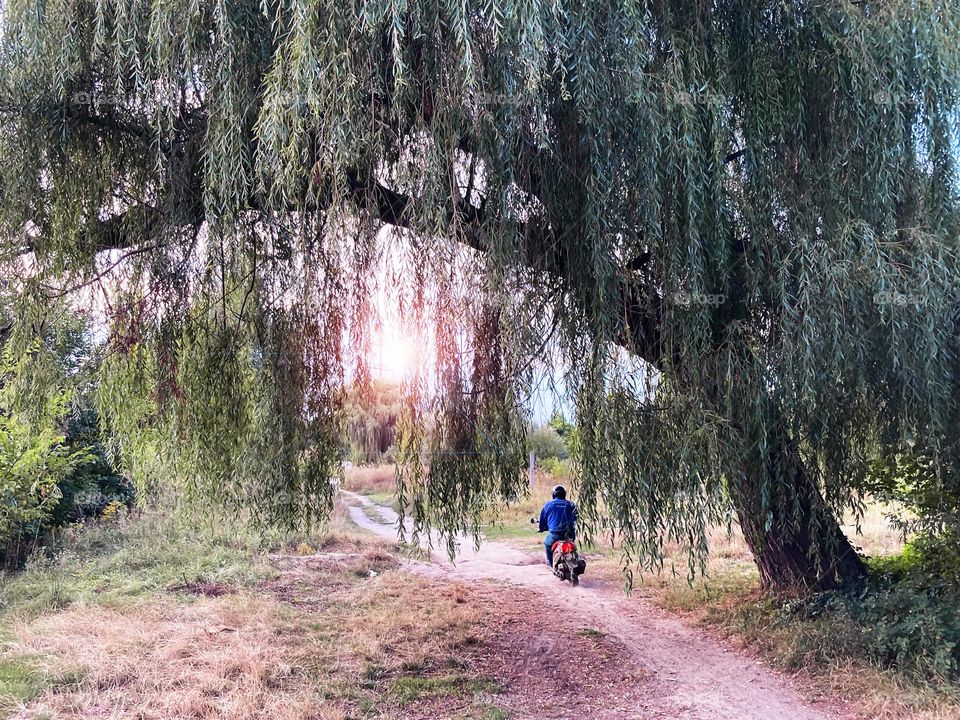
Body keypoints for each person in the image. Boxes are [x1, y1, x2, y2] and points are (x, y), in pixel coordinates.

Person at [537, 485, 578, 566]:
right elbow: (576, 517)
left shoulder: (548, 505)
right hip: (570, 533)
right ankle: (575, 558)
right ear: (564, 494)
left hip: (555, 534)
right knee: (572, 546)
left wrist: (541, 528)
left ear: (553, 494)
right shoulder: (571, 504)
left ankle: (550, 562)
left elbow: (542, 520)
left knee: (547, 543)